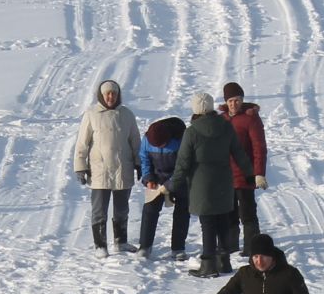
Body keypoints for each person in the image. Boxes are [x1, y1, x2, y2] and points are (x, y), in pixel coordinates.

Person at [172, 91, 252, 278]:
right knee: (223, 220)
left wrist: (174, 184)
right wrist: (249, 173)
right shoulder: (226, 127)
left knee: (207, 223)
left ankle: (208, 264)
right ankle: (224, 261)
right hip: (224, 180)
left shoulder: (191, 132)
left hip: (201, 183)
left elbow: (183, 162)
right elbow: (238, 152)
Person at [73, 80, 140, 254]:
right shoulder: (91, 114)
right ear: (101, 96)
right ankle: (100, 245)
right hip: (99, 169)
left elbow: (135, 142)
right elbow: (82, 143)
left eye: (114, 94)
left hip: (122, 167)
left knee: (122, 208)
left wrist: (140, 163)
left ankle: (121, 241)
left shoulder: (127, 115)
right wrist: (80, 166)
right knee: (99, 210)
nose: (111, 97)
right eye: (107, 94)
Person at [220, 83, 268, 255]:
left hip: (245, 175)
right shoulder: (222, 118)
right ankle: (231, 245)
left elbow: (259, 147)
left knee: (247, 214)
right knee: (228, 213)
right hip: (225, 176)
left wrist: (259, 173)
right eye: (231, 101)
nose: (234, 104)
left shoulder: (251, 118)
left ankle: (251, 248)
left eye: (238, 100)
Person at [137, 116, 189, 261]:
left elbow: (183, 165)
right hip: (157, 178)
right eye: (156, 146)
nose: (160, 147)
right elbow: (144, 158)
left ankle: (178, 247)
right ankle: (145, 246)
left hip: (179, 178)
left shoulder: (180, 140)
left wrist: (170, 184)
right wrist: (148, 178)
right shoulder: (147, 140)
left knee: (182, 211)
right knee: (150, 209)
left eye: (163, 145)